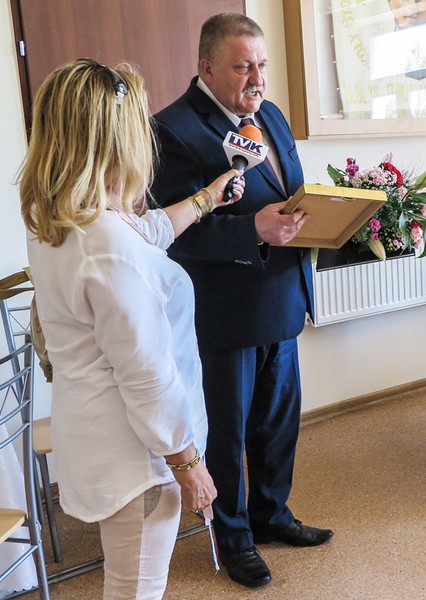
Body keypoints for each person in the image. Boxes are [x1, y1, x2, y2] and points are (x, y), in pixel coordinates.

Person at [19, 58, 242, 598]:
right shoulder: (108, 247)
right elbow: (147, 374)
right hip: (137, 457)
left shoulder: (63, 223)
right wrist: (187, 462)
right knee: (134, 589)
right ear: (114, 139)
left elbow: (147, 231)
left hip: (95, 431)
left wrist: (208, 197)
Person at [150, 13, 332, 589]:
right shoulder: (172, 130)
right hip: (226, 313)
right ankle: (233, 539)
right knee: (226, 436)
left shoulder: (270, 115)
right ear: (207, 68)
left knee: (278, 425)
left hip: (283, 297)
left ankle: (272, 514)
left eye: (261, 64)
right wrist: (252, 229)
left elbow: (287, 193)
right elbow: (172, 233)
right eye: (242, 66)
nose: (257, 78)